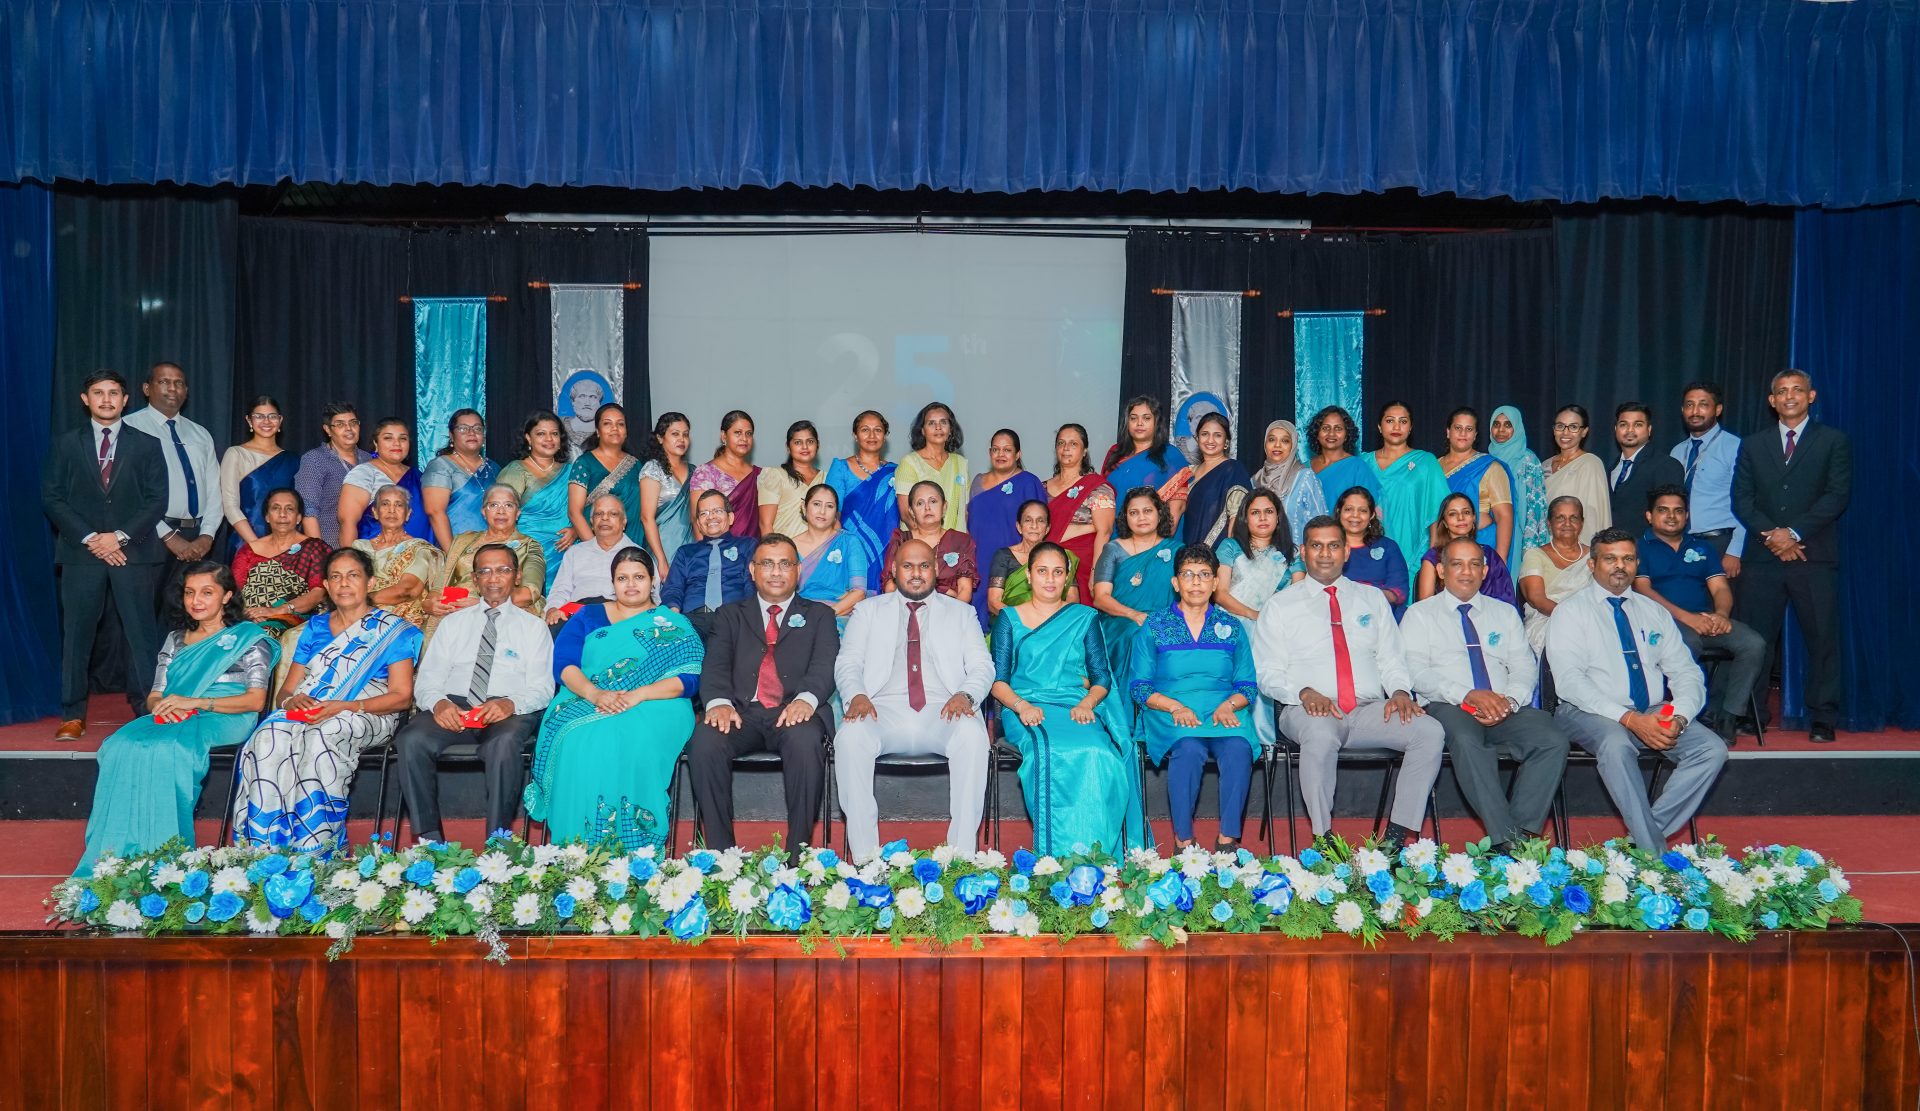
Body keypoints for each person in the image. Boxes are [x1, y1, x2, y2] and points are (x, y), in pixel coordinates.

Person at [1256, 516, 1445, 852]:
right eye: (1316, 546)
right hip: (1306, 709)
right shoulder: (1280, 606)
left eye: (1333, 546)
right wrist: (1302, 692)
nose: (1324, 553)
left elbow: (1391, 658)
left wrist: (1400, 691)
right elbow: (1267, 673)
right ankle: (1324, 840)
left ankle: (1396, 838)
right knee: (1320, 733)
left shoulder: (1371, 599)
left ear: (1346, 552)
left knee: (1429, 731)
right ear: (1303, 551)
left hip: (1367, 710)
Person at [75, 562, 277, 873]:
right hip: (175, 711)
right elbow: (155, 694)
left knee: (171, 748)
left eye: (207, 592)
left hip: (226, 714)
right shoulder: (176, 638)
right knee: (118, 745)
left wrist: (195, 702)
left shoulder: (249, 638)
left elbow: (256, 700)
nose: (196, 600)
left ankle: (167, 857)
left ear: (227, 596)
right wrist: (162, 706)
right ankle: (117, 854)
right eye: (189, 592)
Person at [1546, 528, 1728, 851]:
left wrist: (1680, 717)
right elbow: (1570, 683)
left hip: (1652, 710)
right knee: (1616, 745)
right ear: (1592, 565)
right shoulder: (1570, 612)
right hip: (1586, 711)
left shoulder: (1653, 611)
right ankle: (1652, 853)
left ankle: (1641, 839)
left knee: (1711, 749)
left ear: (1637, 564)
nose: (1620, 566)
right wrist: (1629, 719)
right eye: (1610, 559)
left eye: (1628, 559)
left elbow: (1686, 672)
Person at [233, 547, 423, 850]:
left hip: (369, 711)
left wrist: (346, 706)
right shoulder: (315, 627)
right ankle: (265, 847)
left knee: (323, 734)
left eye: (353, 575)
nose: (344, 583)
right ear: (326, 585)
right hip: (313, 706)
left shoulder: (393, 631)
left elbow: (401, 697)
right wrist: (290, 702)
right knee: (268, 737)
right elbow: (286, 691)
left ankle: (316, 846)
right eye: (335, 577)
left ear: (370, 583)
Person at [526, 547, 703, 850]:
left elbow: (689, 679)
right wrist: (595, 693)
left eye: (639, 577)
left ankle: (634, 847)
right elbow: (564, 665)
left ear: (652, 581)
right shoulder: (588, 616)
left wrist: (639, 694)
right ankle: (575, 848)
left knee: (629, 737)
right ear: (612, 583)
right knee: (578, 739)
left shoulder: (673, 623)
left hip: (658, 702)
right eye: (622, 578)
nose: (631, 585)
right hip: (586, 695)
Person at [834, 539, 996, 862]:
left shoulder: (962, 613)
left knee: (973, 736)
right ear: (895, 570)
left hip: (943, 709)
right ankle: (866, 860)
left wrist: (965, 695)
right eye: (908, 566)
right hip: (882, 709)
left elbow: (983, 666)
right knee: (850, 737)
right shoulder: (868, 611)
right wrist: (857, 695)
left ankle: (961, 857)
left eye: (924, 566)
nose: (916, 573)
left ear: (935, 569)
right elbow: (847, 663)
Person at [1403, 538, 1569, 850]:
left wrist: (1510, 700)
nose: (1466, 572)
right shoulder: (1420, 614)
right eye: (1457, 564)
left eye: (1474, 564)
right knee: (1467, 741)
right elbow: (1416, 673)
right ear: (1441, 570)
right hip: (1448, 704)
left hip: (1504, 705)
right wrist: (1468, 694)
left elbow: (1523, 665)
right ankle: (1510, 843)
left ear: (1485, 571)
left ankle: (1518, 834)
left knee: (1552, 739)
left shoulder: (1504, 613)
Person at [688, 534, 840, 857]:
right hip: (740, 713)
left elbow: (825, 665)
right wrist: (718, 703)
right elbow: (715, 664)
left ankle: (797, 858)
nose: (776, 572)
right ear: (752, 570)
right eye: (767, 564)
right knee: (705, 740)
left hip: (794, 711)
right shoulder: (729, 615)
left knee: (805, 741)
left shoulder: (820, 615)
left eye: (785, 564)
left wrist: (806, 699)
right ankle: (722, 858)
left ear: (798, 570)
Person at [396, 543, 555, 843]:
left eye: (503, 570)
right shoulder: (452, 623)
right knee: (411, 739)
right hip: (455, 705)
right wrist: (439, 703)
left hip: (507, 708)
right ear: (475, 578)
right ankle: (430, 842)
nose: (494, 578)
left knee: (504, 744)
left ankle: (498, 842)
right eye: (485, 571)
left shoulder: (534, 628)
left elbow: (543, 687)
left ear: (517, 576)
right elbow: (428, 679)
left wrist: (511, 703)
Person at [991, 542, 1142, 856]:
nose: (1050, 579)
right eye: (1042, 571)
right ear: (1029, 575)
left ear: (1067, 577)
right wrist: (1021, 706)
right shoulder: (1009, 617)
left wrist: (1087, 703)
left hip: (1076, 705)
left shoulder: (1084, 617)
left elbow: (1101, 677)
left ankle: (1096, 854)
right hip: (1025, 707)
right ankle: (1056, 855)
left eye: (1058, 572)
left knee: (1099, 753)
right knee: (1048, 752)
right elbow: (998, 681)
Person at [43, 370, 170, 740]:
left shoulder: (147, 444)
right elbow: (52, 498)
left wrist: (118, 537)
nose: (106, 399)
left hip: (134, 552)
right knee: (77, 636)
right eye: (98, 393)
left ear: (125, 399)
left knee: (140, 634)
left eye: (114, 393)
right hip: (81, 554)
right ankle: (72, 714)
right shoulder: (65, 444)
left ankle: (147, 707)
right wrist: (91, 539)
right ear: (86, 399)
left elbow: (156, 500)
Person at [1733, 369, 1853, 743]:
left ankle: (1823, 717)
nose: (1789, 396)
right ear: (1772, 401)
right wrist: (1774, 536)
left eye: (1797, 390)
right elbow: (1742, 499)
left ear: (1810, 396)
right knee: (1756, 640)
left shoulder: (1833, 441)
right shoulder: (1753, 444)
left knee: (1822, 639)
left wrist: (1794, 533)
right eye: (1782, 391)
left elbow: (1837, 495)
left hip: (1812, 555)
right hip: (1763, 557)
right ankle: (1752, 713)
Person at [1129, 545, 1260, 849]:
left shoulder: (1232, 627)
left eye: (1204, 574)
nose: (1196, 582)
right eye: (1188, 574)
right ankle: (1183, 840)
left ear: (1215, 583)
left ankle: (1227, 840)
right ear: (1175, 583)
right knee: (1189, 749)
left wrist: (1230, 704)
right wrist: (1175, 707)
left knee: (1238, 749)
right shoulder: (1155, 625)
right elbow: (1140, 687)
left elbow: (1247, 685)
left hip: (1223, 711)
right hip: (1170, 711)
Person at [1634, 486, 1766, 742]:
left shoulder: (1702, 547)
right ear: (1649, 516)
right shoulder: (1639, 547)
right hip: (1662, 622)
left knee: (1753, 643)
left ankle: (1727, 715)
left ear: (1687, 516)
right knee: (1688, 642)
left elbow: (1720, 588)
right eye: (1663, 510)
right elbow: (1643, 589)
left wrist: (1721, 615)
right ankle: (1688, 714)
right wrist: (1687, 618)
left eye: (1678, 511)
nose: (1671, 516)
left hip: (1703, 619)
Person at [122, 364, 221, 586]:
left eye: (179, 383)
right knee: (146, 604)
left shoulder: (200, 433)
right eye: (164, 382)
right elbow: (129, 493)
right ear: (146, 388)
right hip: (148, 536)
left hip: (197, 539)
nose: (172, 388)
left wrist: (207, 535)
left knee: (190, 606)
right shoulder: (129, 428)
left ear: (186, 391)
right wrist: (168, 535)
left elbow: (215, 489)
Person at [424, 484, 547, 635]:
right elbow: (439, 586)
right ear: (483, 512)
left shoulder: (529, 546)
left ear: (517, 513)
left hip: (500, 610)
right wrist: (430, 604)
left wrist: (484, 605)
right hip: (452, 608)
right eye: (493, 505)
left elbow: (529, 593)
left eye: (508, 505)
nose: (501, 511)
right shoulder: (464, 540)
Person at [1089, 487, 1183, 677]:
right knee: (1139, 635)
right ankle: (1134, 694)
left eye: (1147, 511)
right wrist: (1134, 615)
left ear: (1160, 513)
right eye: (1134, 513)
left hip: (1166, 618)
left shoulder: (1177, 550)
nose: (1141, 517)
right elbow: (1100, 597)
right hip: (1121, 620)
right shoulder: (1113, 550)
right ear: (1126, 517)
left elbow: (1188, 593)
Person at [964, 429, 1049, 629]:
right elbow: (970, 520)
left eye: (1007, 450)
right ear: (989, 452)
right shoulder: (977, 482)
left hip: (1013, 562)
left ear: (1018, 454)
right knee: (978, 620)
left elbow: (1038, 525)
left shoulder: (1029, 482)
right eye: (996, 449)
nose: (1000, 454)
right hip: (980, 560)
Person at [1364, 401, 1449, 596]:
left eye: (1403, 421)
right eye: (1390, 421)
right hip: (1368, 549)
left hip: (1411, 549)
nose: (1396, 427)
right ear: (1379, 426)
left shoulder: (1426, 462)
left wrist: (1433, 557)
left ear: (1410, 428)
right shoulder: (1363, 462)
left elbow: (1437, 513)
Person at [231, 488, 331, 637]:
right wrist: (250, 614)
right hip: (249, 617)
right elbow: (234, 592)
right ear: (267, 516)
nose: (282, 514)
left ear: (298, 517)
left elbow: (319, 593)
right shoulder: (248, 551)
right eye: (276, 508)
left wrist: (279, 610)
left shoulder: (315, 548)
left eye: (289, 509)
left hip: (291, 618)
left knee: (263, 635)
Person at [1670, 383, 1745, 575]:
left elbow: (1748, 500)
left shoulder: (1735, 447)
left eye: (1703, 404)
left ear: (1718, 410)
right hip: (1682, 543)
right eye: (1689, 405)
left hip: (1720, 543)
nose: (1695, 411)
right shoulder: (1677, 451)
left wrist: (1735, 551)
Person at [659, 489, 754, 640]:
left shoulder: (747, 545)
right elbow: (673, 588)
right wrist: (674, 617)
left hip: (734, 617)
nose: (711, 517)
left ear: (730, 517)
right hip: (692, 621)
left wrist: (750, 617)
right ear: (698, 523)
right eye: (704, 513)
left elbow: (751, 583)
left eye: (717, 511)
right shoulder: (686, 552)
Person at [497, 410, 574, 593]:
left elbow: (586, 510)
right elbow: (500, 515)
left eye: (554, 433)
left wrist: (576, 530)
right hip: (528, 553)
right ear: (528, 438)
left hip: (568, 552)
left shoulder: (572, 471)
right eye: (541, 434)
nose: (549, 439)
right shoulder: (516, 470)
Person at [824, 410, 899, 594]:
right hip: (851, 548)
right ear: (855, 435)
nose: (872, 435)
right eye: (865, 430)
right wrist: (846, 551)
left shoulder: (895, 471)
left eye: (878, 430)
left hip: (888, 549)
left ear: (885, 436)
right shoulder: (840, 468)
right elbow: (831, 515)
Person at [216, 394, 298, 561]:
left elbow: (297, 507)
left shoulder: (293, 460)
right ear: (249, 421)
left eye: (272, 416)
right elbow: (230, 506)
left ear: (280, 420)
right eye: (259, 416)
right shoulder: (236, 454)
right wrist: (257, 545)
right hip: (246, 542)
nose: (266, 421)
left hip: (285, 544)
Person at [1436, 407, 1518, 570]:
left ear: (1475, 435)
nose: (1463, 433)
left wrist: (1499, 563)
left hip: (1481, 547)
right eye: (1458, 428)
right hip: (1442, 547)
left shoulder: (1490, 467)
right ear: (1448, 432)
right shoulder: (1434, 467)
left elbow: (1504, 517)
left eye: (1469, 429)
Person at [351, 485, 442, 629]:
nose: (391, 510)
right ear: (375, 512)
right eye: (385, 504)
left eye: (399, 505)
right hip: (354, 615)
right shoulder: (359, 547)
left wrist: (358, 601)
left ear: (408, 514)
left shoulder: (419, 548)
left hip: (396, 623)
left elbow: (408, 590)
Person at [1043, 422, 1114, 604]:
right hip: (1046, 566)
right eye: (1061, 443)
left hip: (1083, 567)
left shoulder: (1097, 488)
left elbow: (1104, 531)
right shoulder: (1041, 488)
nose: (1066, 448)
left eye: (1073, 444)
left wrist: (1095, 574)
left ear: (1084, 451)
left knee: (1078, 617)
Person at [546, 494, 644, 622]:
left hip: (619, 617)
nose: (605, 518)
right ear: (592, 522)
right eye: (599, 514)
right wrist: (552, 609)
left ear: (623, 522)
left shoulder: (638, 555)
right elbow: (560, 590)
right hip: (577, 615)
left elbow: (651, 598)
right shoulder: (575, 552)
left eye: (613, 514)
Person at [1517, 496, 1593, 653]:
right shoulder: (1535, 555)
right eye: (1560, 518)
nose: (1567, 523)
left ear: (1582, 523)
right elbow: (1537, 599)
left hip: (1591, 623)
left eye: (1574, 518)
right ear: (1549, 523)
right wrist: (1573, 620)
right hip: (1547, 623)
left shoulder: (1594, 556)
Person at [1415, 493, 1518, 608]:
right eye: (1453, 514)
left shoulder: (1490, 555)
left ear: (1474, 518)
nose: (1461, 518)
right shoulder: (1433, 557)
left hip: (1489, 617)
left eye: (1466, 512)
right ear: (1444, 522)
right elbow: (1425, 607)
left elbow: (1507, 604)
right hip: (1443, 617)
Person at [881, 481, 978, 603]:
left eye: (933, 501)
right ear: (911, 512)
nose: (927, 508)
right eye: (920, 503)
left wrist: (951, 612)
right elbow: (890, 587)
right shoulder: (901, 540)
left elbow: (965, 591)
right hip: (907, 609)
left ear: (944, 507)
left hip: (950, 609)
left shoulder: (961, 541)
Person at [566, 403, 644, 554]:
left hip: (633, 543)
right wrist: (599, 553)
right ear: (598, 431)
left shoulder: (636, 465)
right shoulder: (584, 463)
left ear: (626, 431)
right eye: (607, 423)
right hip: (595, 546)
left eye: (620, 424)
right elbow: (574, 512)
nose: (615, 428)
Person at [338, 418, 430, 542]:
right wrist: (349, 554)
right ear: (376, 443)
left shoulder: (418, 476)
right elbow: (348, 523)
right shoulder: (364, 473)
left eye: (403, 438)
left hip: (418, 551)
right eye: (388, 438)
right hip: (373, 552)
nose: (397, 443)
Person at [420, 409, 500, 549]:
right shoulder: (441, 466)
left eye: (477, 428)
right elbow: (435, 513)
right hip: (455, 548)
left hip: (493, 549)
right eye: (463, 428)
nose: (471, 433)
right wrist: (453, 556)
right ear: (452, 435)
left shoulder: (494, 468)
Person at [987, 499, 1079, 620]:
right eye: (1028, 520)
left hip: (1055, 623)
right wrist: (1023, 621)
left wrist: (1052, 622)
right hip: (1015, 624)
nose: (1034, 526)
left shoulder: (1061, 556)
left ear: (1047, 528)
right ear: (1019, 527)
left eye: (1040, 520)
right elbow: (994, 602)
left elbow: (1073, 598)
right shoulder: (1003, 556)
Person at [1102, 395, 1190, 520]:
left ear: (1157, 422)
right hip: (1110, 527)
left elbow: (1177, 507)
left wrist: (1163, 533)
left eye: (1146, 418)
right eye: (1133, 418)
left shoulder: (1171, 455)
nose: (1139, 423)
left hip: (1151, 529)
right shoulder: (1115, 452)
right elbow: (1102, 494)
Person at [294, 403, 370, 546]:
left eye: (353, 423)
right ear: (328, 429)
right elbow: (308, 510)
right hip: (330, 547)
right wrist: (320, 551)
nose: (349, 428)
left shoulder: (368, 460)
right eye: (340, 424)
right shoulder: (315, 459)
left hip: (368, 546)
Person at [792, 484, 868, 627]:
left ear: (836, 514)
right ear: (804, 507)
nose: (822, 511)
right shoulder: (790, 547)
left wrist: (824, 616)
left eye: (829, 506)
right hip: (798, 615)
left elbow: (859, 592)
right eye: (816, 504)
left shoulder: (849, 542)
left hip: (838, 615)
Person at [1331, 487, 1410, 617]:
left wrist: (1362, 594)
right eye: (1348, 509)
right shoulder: (1328, 548)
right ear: (1339, 512)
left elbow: (1399, 593)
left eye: (1362, 510)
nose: (1355, 515)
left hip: (1382, 616)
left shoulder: (1388, 547)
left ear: (1372, 515)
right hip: (1338, 615)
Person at [1489, 405, 1551, 569]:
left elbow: (1536, 507)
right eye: (1496, 424)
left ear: (1517, 428)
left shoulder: (1528, 460)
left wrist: (1529, 546)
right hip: (1490, 532)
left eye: (1508, 425)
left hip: (1518, 533)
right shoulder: (1486, 459)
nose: (1501, 430)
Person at [1607, 402, 1684, 533]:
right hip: (1613, 544)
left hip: (1648, 544)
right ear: (1616, 429)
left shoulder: (1666, 465)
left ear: (1649, 429)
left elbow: (1670, 518)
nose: (1630, 430)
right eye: (1623, 424)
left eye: (1638, 425)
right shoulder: (1611, 468)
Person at [1251, 419, 1326, 548]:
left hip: (1299, 558)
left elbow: (1322, 524)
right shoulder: (1254, 481)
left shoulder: (1305, 477)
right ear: (1265, 444)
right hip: (1261, 557)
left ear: (1293, 445)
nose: (1277, 445)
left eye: (1285, 441)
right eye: (1271, 439)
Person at [894, 402, 970, 529]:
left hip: (956, 540)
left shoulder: (961, 463)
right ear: (922, 431)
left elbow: (965, 512)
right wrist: (929, 539)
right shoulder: (910, 463)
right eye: (931, 423)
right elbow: (906, 514)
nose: (938, 427)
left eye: (943, 422)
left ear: (951, 429)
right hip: (919, 540)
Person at [1181, 412, 1252, 546]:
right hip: (1187, 548)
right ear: (1197, 438)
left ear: (1226, 441)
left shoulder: (1233, 470)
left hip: (1218, 551)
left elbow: (1237, 518)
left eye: (1217, 435)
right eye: (1205, 434)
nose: (1210, 440)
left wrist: (1229, 553)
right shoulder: (1189, 472)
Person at [1543, 404, 1611, 543]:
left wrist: (1585, 552)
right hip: (1544, 544)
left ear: (1584, 431)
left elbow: (1593, 515)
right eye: (1560, 426)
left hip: (1576, 547)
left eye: (1573, 427)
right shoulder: (1544, 465)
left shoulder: (1590, 464)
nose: (1565, 432)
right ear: (1554, 430)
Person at [689, 409, 762, 540]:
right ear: (723, 436)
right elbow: (697, 519)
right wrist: (705, 551)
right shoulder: (706, 473)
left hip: (754, 548)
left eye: (749, 433)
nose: (744, 438)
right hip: (717, 549)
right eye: (738, 433)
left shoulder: (760, 475)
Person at [638, 411, 694, 580]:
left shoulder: (695, 471)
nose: (681, 439)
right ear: (660, 438)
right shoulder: (653, 469)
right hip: (663, 548)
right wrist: (661, 560)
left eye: (685, 434)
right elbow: (646, 518)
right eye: (675, 434)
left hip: (690, 547)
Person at [1306, 405, 1380, 510]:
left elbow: (1370, 508)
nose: (1331, 433)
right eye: (1325, 428)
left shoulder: (1358, 468)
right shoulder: (1304, 468)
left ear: (1346, 435)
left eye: (1338, 429)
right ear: (1317, 433)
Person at [757, 420, 823, 538]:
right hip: (784, 547)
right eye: (798, 442)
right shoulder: (775, 476)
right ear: (788, 447)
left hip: (821, 548)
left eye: (810, 441)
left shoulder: (827, 478)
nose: (805, 447)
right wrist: (774, 549)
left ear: (817, 445)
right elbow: (765, 524)